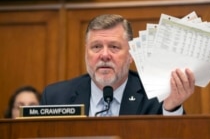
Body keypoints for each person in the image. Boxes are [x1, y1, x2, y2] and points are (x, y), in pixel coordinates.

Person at [40, 14, 195, 116]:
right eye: (96, 47)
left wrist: (171, 108)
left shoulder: (155, 97)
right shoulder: (56, 97)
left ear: (131, 55)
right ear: (86, 53)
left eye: (114, 47)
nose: (105, 55)